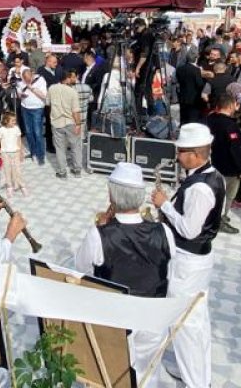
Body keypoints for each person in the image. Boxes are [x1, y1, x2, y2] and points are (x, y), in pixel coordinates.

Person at [74, 162, 175, 385]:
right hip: (153, 315)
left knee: (114, 373)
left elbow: (80, 268)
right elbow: (169, 268)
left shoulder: (99, 235)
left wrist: (102, 229)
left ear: (112, 195)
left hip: (116, 318)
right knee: (149, 371)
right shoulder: (164, 231)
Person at [151, 123, 223, 387]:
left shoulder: (200, 188)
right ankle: (195, 373)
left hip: (188, 262)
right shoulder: (211, 176)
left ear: (194, 154)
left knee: (184, 325)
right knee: (196, 320)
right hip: (198, 261)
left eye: (181, 152)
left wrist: (165, 205)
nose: (178, 157)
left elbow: (189, 230)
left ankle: (196, 381)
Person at [204, 92, 241, 235]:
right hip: (228, 168)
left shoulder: (210, 119)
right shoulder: (230, 125)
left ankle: (215, 216)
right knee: (227, 196)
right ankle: (219, 220)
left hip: (212, 164)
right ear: (229, 106)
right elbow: (235, 149)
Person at [47, 69, 84, 180]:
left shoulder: (51, 88)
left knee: (59, 148)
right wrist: (78, 124)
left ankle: (62, 172)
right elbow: (76, 111)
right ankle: (77, 170)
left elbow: (48, 103)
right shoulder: (72, 92)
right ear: (67, 78)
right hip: (70, 122)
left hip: (56, 122)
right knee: (76, 146)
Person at [17, 67, 49, 166]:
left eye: (28, 79)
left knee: (37, 133)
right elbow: (18, 92)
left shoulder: (40, 80)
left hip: (37, 109)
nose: (26, 81)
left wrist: (31, 87)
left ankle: (40, 156)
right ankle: (33, 153)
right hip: (25, 108)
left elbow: (44, 96)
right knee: (29, 132)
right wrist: (20, 95)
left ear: (32, 75)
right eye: (24, 79)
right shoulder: (21, 81)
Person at [0, 112, 24, 195]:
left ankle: (20, 184)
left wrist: (21, 152)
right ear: (6, 121)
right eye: (12, 120)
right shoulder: (1, 130)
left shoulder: (16, 128)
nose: (14, 122)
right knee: (7, 170)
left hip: (16, 152)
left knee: (17, 170)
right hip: (5, 153)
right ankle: (9, 186)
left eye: (15, 120)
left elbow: (19, 141)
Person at [176, 53, 207, 125]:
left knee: (183, 117)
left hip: (183, 96)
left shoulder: (180, 68)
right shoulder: (196, 70)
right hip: (194, 98)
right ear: (196, 59)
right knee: (192, 118)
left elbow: (178, 79)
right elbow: (199, 84)